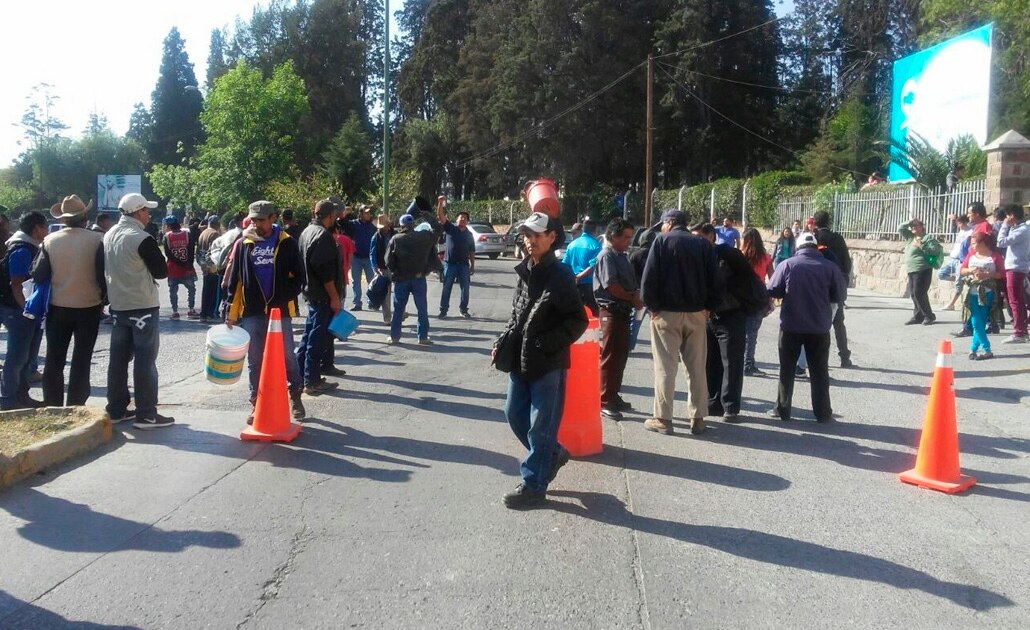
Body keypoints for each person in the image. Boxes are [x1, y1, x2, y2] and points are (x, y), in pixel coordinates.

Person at [492, 211, 586, 509]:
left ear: (551, 237)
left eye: (536, 235)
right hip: (519, 359)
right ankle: (553, 454)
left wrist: (546, 344)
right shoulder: (526, 269)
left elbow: (577, 320)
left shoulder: (561, 275)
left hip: (547, 364)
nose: (529, 240)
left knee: (540, 427)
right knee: (514, 415)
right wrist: (502, 342)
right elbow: (516, 313)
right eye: (526, 235)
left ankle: (534, 485)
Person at [640, 209, 722, 436]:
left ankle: (663, 418)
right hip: (697, 313)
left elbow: (649, 279)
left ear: (669, 222)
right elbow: (715, 280)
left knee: (666, 367)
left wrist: (652, 307)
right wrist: (709, 308)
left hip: (666, 313)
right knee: (696, 367)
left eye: (663, 224)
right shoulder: (703, 245)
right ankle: (697, 418)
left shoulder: (662, 242)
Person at [224, 200, 306, 423]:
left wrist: (284, 295)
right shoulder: (243, 244)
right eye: (253, 219)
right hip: (252, 310)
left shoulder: (287, 243)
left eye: (261, 219)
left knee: (288, 356)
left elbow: (300, 276)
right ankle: (256, 403)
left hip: (279, 311)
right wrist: (231, 311)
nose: (256, 223)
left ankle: (295, 395)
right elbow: (236, 280)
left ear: (273, 218)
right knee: (255, 360)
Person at [104, 193, 175, 429]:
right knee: (145, 360)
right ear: (138, 212)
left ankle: (116, 409)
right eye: (146, 210)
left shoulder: (109, 235)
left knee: (118, 361)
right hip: (142, 306)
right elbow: (161, 272)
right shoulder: (141, 238)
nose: (149, 215)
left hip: (118, 305)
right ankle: (146, 414)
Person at [32, 195, 105, 407]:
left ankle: (53, 405)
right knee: (82, 359)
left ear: (63, 219)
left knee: (54, 359)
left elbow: (38, 274)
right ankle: (76, 405)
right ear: (84, 217)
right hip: (89, 306)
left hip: (57, 307)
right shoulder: (96, 240)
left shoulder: (49, 241)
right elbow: (103, 275)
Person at [766, 232, 848, 423]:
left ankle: (782, 409)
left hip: (791, 326)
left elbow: (773, 289)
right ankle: (823, 412)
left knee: (786, 369)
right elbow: (840, 295)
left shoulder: (788, 265)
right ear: (815, 247)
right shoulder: (830, 267)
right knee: (820, 371)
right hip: (819, 327)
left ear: (799, 247)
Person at [693, 223, 750, 423]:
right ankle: (713, 402)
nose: (697, 242)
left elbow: (748, 280)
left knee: (732, 362)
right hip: (709, 317)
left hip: (731, 315)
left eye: (700, 237)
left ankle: (731, 407)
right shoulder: (698, 257)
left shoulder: (728, 255)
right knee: (711, 361)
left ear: (711, 237)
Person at [593, 218, 642, 421]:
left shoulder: (622, 256)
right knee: (609, 356)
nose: (629, 241)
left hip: (623, 312)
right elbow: (611, 286)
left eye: (631, 237)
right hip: (611, 312)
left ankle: (613, 394)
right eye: (626, 237)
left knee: (620, 356)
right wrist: (633, 297)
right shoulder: (607, 256)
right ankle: (604, 399)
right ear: (613, 236)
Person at [0, 211, 48, 410]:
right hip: (17, 311)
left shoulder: (31, 246)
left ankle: (22, 396)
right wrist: (27, 310)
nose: (47, 231)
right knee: (17, 358)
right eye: (45, 227)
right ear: (37, 229)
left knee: (28, 358)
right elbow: (17, 284)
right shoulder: (21, 249)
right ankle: (8, 400)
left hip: (26, 311)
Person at [295, 199, 343, 396]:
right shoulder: (322, 235)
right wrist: (334, 297)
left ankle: (301, 376)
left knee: (308, 337)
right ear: (330, 216)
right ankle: (311, 381)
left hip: (311, 292)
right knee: (317, 339)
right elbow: (325, 272)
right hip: (322, 295)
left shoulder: (306, 231)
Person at [385, 203, 442, 345]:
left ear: (401, 224)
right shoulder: (424, 236)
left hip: (401, 278)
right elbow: (438, 228)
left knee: (398, 309)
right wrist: (426, 215)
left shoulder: (396, 239)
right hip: (419, 277)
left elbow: (388, 261)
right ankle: (422, 337)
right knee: (422, 308)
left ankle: (394, 337)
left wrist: (395, 271)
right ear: (413, 223)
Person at [813, 210, 854, 367]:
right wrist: (843, 279)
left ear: (815, 223)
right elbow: (846, 261)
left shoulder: (813, 237)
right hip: (835, 284)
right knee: (838, 322)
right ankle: (844, 357)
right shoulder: (837, 238)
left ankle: (819, 358)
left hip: (817, 284)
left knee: (817, 322)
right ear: (828, 222)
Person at [960, 232, 1005, 360]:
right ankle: (987, 349)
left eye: (974, 243)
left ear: (983, 243)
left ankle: (973, 350)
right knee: (975, 321)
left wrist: (987, 274)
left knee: (980, 322)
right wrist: (971, 270)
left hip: (987, 293)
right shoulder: (971, 256)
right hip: (972, 292)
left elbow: (1001, 274)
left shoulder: (995, 257)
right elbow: (962, 270)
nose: (972, 246)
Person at [899, 217, 943, 326]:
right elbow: (900, 228)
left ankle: (929, 315)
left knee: (919, 293)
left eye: (916, 225)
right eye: (912, 226)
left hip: (923, 269)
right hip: (912, 269)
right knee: (914, 294)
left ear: (922, 227)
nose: (913, 227)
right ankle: (918, 316)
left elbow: (934, 250)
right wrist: (909, 221)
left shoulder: (928, 238)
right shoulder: (911, 237)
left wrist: (922, 246)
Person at [741, 227, 773, 376]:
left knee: (741, 332)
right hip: (758, 298)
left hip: (741, 296)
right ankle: (748, 364)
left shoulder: (740, 256)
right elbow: (773, 279)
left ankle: (743, 362)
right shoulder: (766, 258)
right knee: (752, 333)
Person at [997, 204, 1029, 344]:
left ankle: (1018, 332)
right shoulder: (1021, 229)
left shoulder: (1021, 230)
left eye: (1007, 216)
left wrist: (1004, 226)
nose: (1006, 219)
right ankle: (1022, 330)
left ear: (1012, 216)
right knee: (1019, 301)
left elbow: (1001, 242)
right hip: (1017, 267)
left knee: (1015, 301)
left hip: (1016, 268)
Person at [437, 207, 476, 319]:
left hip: (464, 265)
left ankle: (463, 310)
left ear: (467, 221)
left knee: (465, 288)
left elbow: (472, 251)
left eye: (465, 218)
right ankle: (443, 310)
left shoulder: (469, 235)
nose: (462, 219)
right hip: (450, 264)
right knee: (446, 288)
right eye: (460, 217)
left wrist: (472, 266)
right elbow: (440, 216)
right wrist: (440, 203)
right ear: (457, 220)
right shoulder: (450, 228)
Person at [562, 217, 602, 316]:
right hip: (590, 287)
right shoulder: (596, 245)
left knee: (575, 315)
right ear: (595, 230)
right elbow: (594, 266)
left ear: (583, 229)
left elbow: (565, 264)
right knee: (593, 316)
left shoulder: (572, 245)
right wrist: (579, 277)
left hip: (573, 285)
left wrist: (573, 278)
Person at [162, 215, 199, 320]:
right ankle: (191, 310)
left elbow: (168, 254)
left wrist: (179, 263)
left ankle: (175, 312)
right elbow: (191, 250)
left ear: (169, 225)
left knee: (173, 290)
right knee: (191, 289)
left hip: (173, 269)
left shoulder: (167, 236)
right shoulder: (187, 234)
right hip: (187, 268)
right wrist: (188, 264)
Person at [347, 205, 378, 310]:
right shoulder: (353, 224)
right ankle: (357, 303)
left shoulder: (372, 226)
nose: (369, 215)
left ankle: (371, 302)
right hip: (356, 257)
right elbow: (342, 225)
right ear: (360, 214)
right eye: (366, 213)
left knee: (371, 281)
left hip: (368, 258)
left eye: (369, 213)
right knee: (356, 281)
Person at [939, 215, 972, 311]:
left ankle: (951, 304)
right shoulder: (960, 231)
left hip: (960, 260)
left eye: (960, 223)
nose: (958, 225)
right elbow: (952, 230)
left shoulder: (970, 232)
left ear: (966, 223)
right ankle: (962, 280)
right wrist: (953, 219)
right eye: (958, 223)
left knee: (958, 283)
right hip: (952, 258)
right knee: (941, 274)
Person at [369, 214, 395, 323]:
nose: (383, 229)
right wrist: (375, 268)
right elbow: (372, 254)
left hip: (395, 268)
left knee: (400, 293)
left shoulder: (395, 235)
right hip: (382, 268)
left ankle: (400, 314)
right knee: (386, 295)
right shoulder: (375, 237)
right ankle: (387, 319)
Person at [196, 217, 222, 322]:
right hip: (212, 266)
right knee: (213, 291)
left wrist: (202, 265)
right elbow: (213, 251)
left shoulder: (203, 233)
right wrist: (213, 266)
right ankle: (211, 313)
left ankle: (204, 313)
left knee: (206, 290)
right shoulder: (214, 234)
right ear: (218, 224)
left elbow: (198, 251)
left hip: (204, 265)